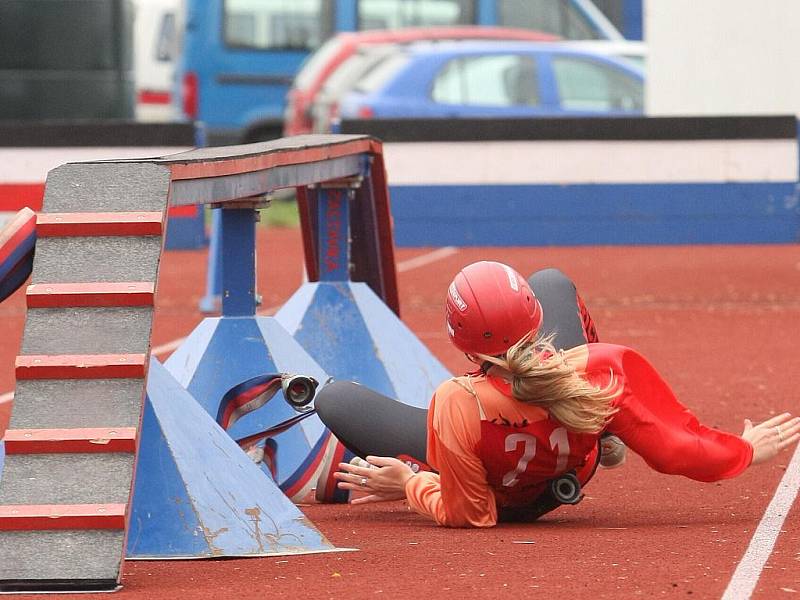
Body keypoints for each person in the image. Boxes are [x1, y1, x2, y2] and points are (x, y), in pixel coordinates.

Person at [316, 262, 800, 528]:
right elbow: (675, 448)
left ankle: (376, 465)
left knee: (333, 397)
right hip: (571, 470)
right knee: (552, 278)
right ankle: (606, 433)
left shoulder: (456, 400)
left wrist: (408, 484)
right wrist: (743, 452)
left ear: (457, 338)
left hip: (498, 496)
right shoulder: (600, 368)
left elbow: (473, 514)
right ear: (534, 317)